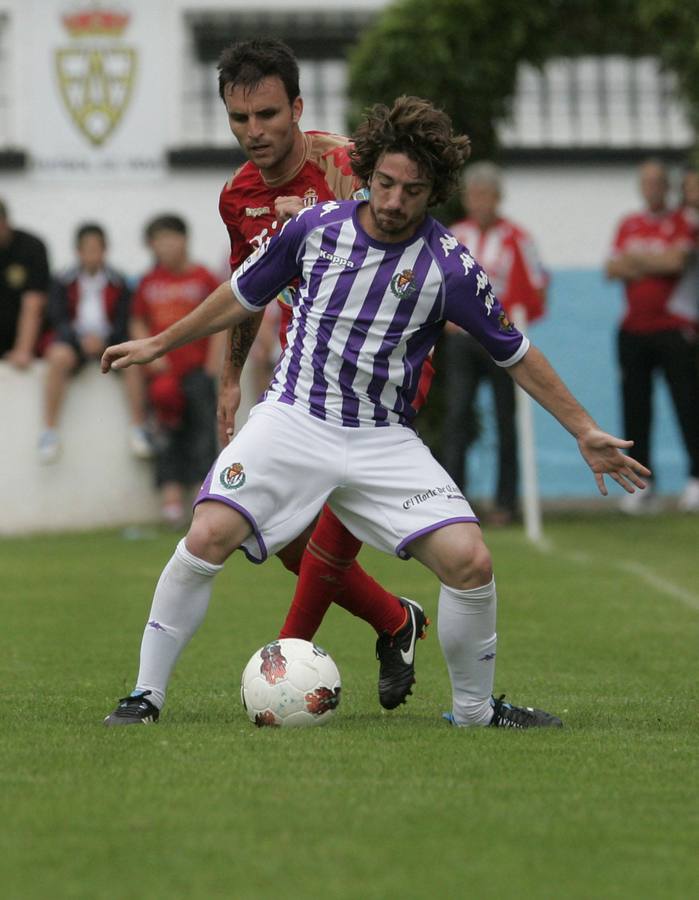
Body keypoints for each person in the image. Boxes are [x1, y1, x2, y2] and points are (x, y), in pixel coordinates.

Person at [101, 95, 649, 729]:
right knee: (206, 536)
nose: (393, 201)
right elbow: (240, 293)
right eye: (385, 183)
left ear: (433, 192)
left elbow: (515, 353)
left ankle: (474, 713)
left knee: (471, 561)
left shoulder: (449, 267)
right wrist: (159, 343)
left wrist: (583, 429)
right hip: (293, 418)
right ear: (366, 175)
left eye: (411, 191)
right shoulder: (313, 229)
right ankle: (145, 696)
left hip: (382, 440)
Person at [215, 38, 433, 711]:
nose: (254, 131)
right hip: (303, 374)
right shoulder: (237, 197)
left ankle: (280, 677)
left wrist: (329, 218)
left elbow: (410, 244)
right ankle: (396, 622)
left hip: (385, 368)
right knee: (280, 533)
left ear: (297, 108)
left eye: (267, 114)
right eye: (239, 118)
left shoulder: (347, 166)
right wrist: (230, 379)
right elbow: (249, 288)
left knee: (331, 532)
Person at [440, 162, 548, 526]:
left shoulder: (518, 237)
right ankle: (454, 501)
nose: (481, 202)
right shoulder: (453, 236)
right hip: (461, 340)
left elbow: (537, 282)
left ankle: (506, 503)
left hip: (500, 340)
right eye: (474, 195)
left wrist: (517, 319)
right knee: (457, 416)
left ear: (498, 198)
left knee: (506, 420)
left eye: (487, 195)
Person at [606, 159, 699, 514]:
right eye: (646, 182)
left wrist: (638, 261)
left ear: (667, 186)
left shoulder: (683, 221)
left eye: (658, 182)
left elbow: (676, 262)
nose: (652, 188)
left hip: (675, 329)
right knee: (636, 410)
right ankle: (643, 485)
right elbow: (613, 267)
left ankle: (695, 478)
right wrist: (651, 261)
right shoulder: (628, 223)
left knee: (687, 403)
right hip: (633, 329)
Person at [131, 214, 225, 527]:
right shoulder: (148, 282)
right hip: (163, 377)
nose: (164, 246)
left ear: (184, 239)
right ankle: (171, 505)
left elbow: (221, 319)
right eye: (158, 240)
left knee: (202, 436)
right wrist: (149, 354)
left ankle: (204, 505)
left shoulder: (203, 278)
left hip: (197, 372)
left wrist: (214, 364)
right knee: (165, 436)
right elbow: (138, 319)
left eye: (170, 238)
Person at [37, 222, 152, 464]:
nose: (92, 254)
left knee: (133, 362)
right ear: (77, 251)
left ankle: (138, 428)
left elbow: (124, 319)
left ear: (105, 250)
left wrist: (105, 341)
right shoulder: (62, 280)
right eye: (86, 249)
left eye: (96, 248)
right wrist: (79, 341)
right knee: (57, 356)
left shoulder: (119, 281)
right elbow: (57, 318)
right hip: (74, 343)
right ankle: (49, 430)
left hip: (109, 342)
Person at [0, 198, 50, 368]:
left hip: (26, 340)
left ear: (4, 221)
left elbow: (33, 302)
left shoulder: (31, 247)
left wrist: (23, 349)